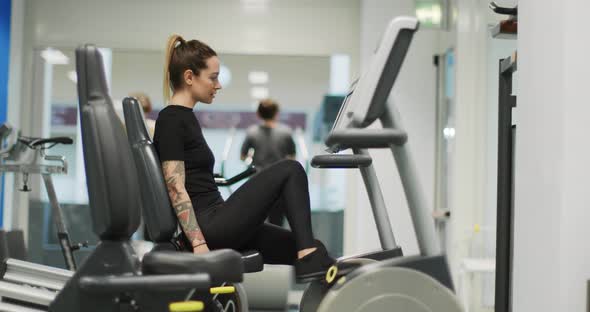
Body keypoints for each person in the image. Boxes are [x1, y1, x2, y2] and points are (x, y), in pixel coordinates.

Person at [152, 34, 334, 282]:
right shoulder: (172, 119)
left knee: (317, 248)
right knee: (291, 169)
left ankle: (312, 260)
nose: (218, 85)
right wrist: (198, 244)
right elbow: (175, 188)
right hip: (212, 227)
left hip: (219, 221)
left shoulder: (184, 117)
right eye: (213, 78)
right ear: (189, 77)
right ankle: (307, 256)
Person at [240, 98, 296, 226]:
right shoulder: (286, 132)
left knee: (255, 221)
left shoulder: (251, 132)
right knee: (277, 222)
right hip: (279, 183)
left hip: (257, 181)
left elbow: (243, 156)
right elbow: (292, 157)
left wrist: (251, 159)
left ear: (258, 114)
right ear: (276, 113)